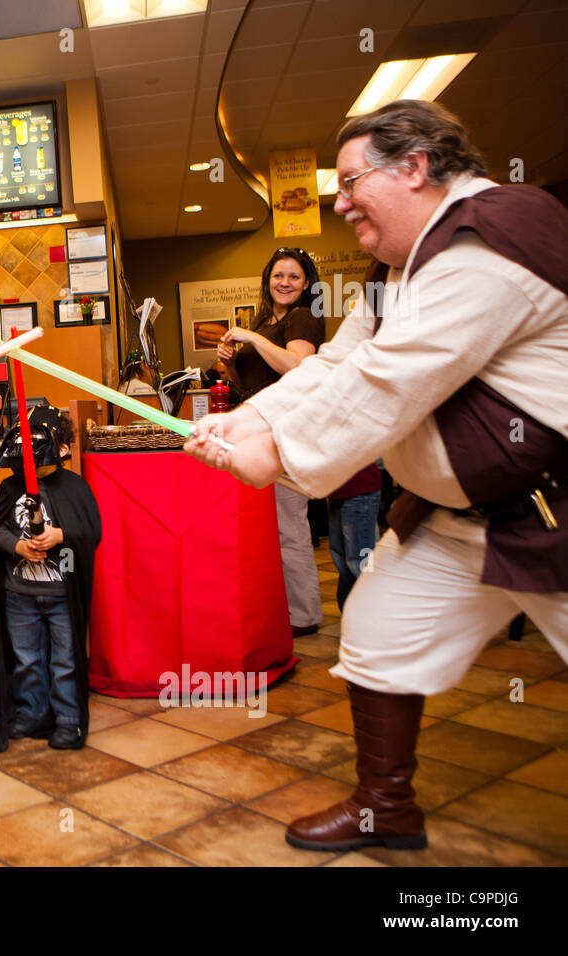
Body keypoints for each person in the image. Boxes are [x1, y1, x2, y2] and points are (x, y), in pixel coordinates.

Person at [185, 99, 567, 852]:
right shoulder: (400, 264)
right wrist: (251, 423)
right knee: (378, 632)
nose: (339, 199)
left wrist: (279, 458)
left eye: (353, 180)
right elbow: (337, 362)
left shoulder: (488, 240)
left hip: (556, 516)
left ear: (416, 168)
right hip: (458, 520)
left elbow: (388, 383)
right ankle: (383, 806)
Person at [0, 406, 102, 755]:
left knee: (65, 660)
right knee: (26, 658)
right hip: (20, 595)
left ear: (62, 449)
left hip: (61, 595)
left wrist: (60, 535)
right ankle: (32, 712)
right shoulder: (9, 488)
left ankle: (67, 719)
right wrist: (17, 546)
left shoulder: (74, 487)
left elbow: (91, 531)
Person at [217, 247, 325, 637]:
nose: (284, 282)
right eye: (278, 276)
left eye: (294, 277)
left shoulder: (303, 317)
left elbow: (297, 367)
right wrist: (231, 362)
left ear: (307, 283)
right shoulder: (266, 322)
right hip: (259, 431)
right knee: (267, 527)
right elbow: (249, 385)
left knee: (288, 526)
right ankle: (283, 607)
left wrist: (249, 336)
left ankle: (304, 615)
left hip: (287, 432)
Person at [326, 462, 382, 611]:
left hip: (358, 491)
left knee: (359, 562)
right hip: (340, 490)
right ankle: (351, 616)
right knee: (342, 560)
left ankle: (374, 617)